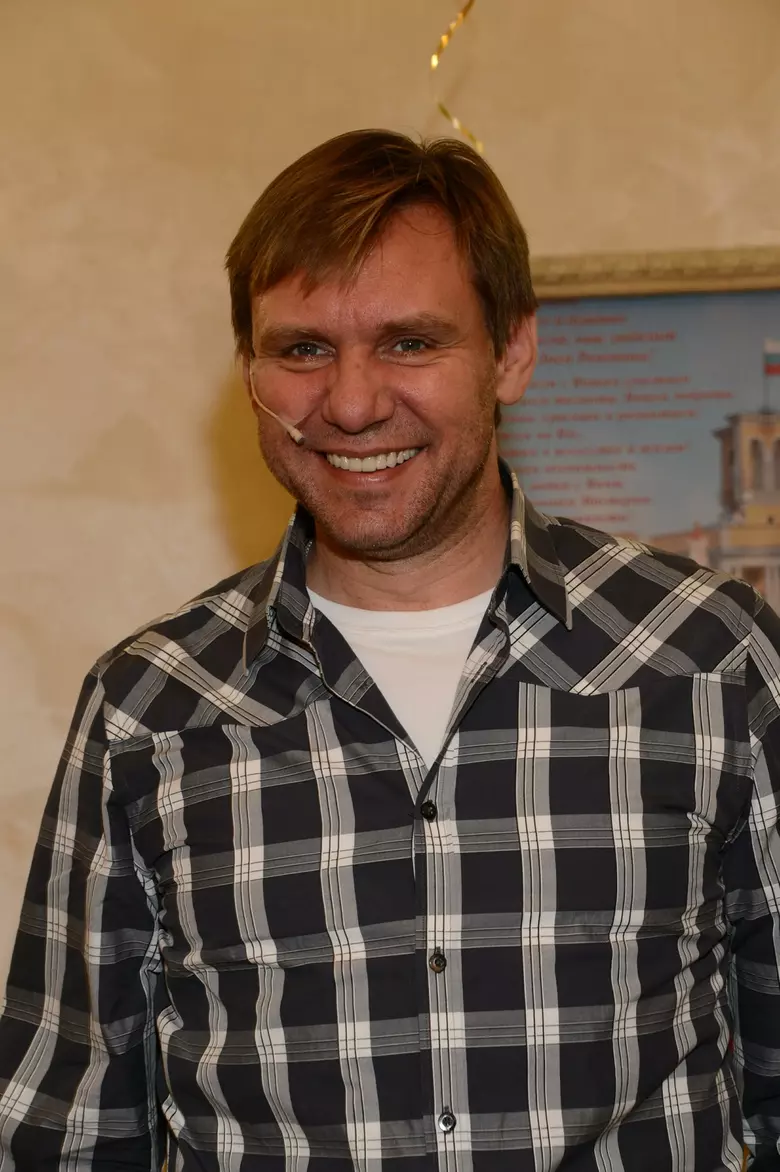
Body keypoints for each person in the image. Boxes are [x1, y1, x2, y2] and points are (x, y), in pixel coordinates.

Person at [0, 129, 778, 1172]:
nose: (354, 402)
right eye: (302, 349)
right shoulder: (149, 709)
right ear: (249, 369)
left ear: (512, 351)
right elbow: (68, 1134)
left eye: (410, 342)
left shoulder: (712, 659)